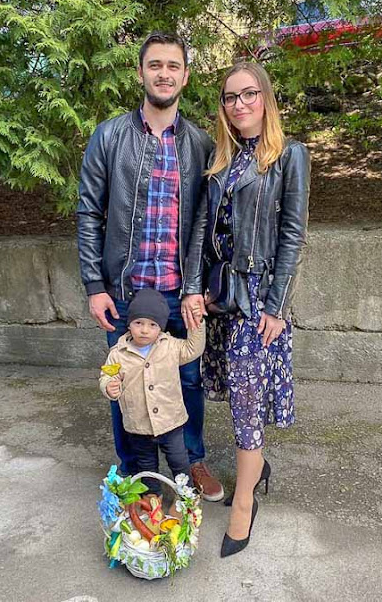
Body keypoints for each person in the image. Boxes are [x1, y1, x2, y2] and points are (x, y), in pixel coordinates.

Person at [77, 31, 223, 501]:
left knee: (187, 379)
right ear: (140, 72)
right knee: (124, 383)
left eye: (173, 66)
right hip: (123, 292)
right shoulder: (110, 136)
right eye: (155, 65)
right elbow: (89, 212)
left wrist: (197, 286)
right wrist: (94, 284)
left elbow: (204, 221)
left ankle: (192, 461)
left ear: (185, 74)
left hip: (180, 293)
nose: (164, 73)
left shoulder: (199, 143)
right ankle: (132, 471)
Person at [196, 61, 310, 556]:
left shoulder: (289, 156)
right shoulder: (221, 159)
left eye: (248, 94)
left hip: (260, 300)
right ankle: (255, 470)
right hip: (222, 296)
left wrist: (277, 305)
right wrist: (196, 289)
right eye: (229, 97)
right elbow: (204, 231)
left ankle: (244, 504)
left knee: (246, 400)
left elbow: (292, 235)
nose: (239, 104)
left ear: (265, 97)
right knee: (235, 393)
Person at [99, 289, 205, 498]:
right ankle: (152, 497)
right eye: (139, 323)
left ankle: (185, 497)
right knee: (146, 464)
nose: (145, 330)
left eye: (152, 325)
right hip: (137, 424)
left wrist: (197, 323)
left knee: (179, 461)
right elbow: (106, 376)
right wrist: (108, 387)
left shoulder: (170, 346)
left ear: (160, 327)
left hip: (170, 422)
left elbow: (193, 349)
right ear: (129, 324)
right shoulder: (118, 353)